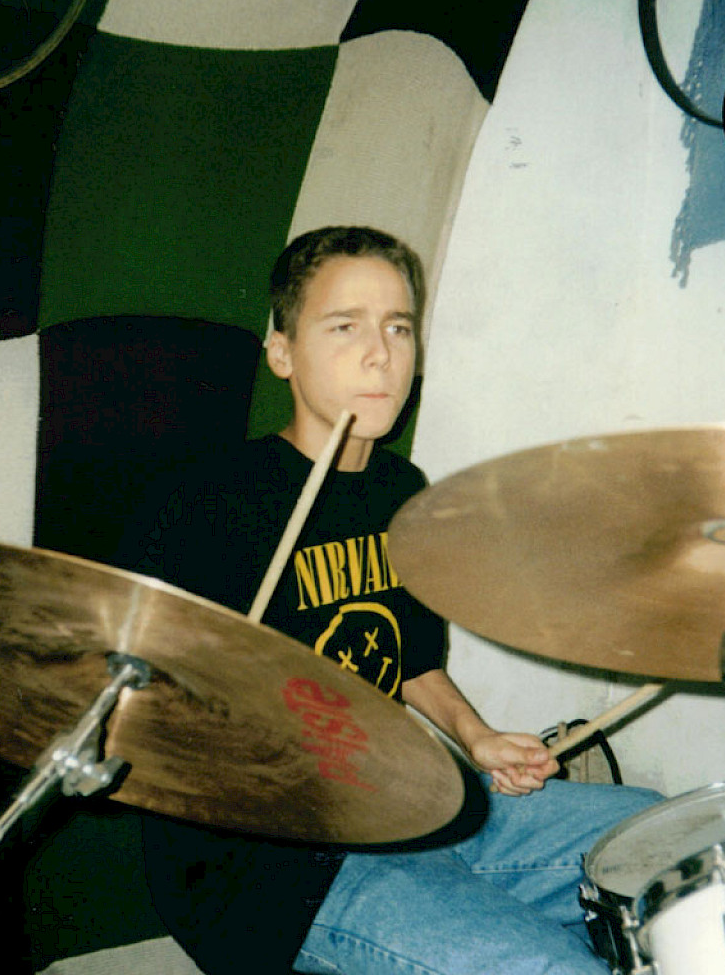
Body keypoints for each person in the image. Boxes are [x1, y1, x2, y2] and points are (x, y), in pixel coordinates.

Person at [127, 226, 663, 975]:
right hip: (276, 868)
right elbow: (140, 710)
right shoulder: (209, 502)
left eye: (398, 327)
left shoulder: (399, 491)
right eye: (344, 326)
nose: (380, 353)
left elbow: (411, 663)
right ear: (281, 352)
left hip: (408, 806)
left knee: (664, 838)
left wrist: (478, 738)